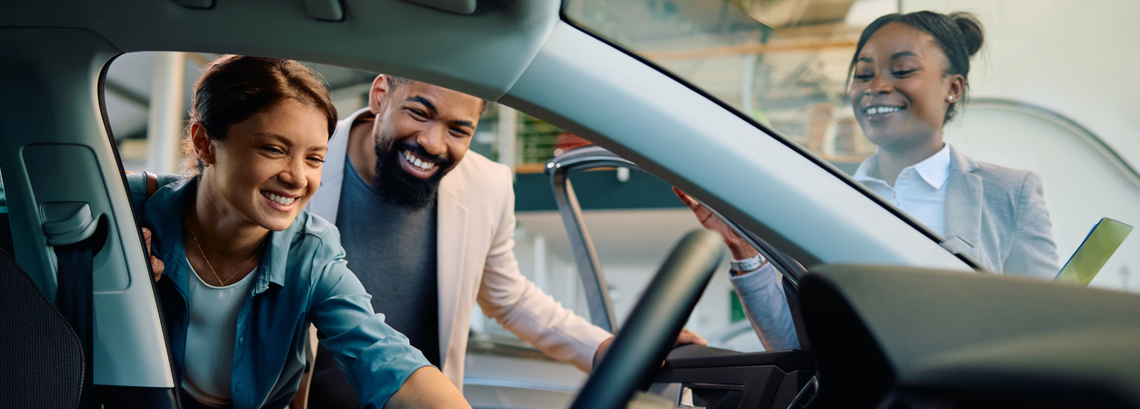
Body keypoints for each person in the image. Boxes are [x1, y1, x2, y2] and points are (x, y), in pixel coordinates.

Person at [300, 75, 707, 407]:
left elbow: (508, 298)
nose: (433, 142)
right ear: (380, 95)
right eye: (419, 113)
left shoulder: (488, 186)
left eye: (459, 129)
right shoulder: (303, 156)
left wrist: (607, 349)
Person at [675, 11, 1057, 351]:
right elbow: (796, 347)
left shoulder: (1010, 193)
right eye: (863, 74)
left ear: (952, 88)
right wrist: (743, 248)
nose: (876, 86)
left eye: (902, 70)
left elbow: (1052, 331)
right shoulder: (829, 198)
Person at [129, 55, 470, 409]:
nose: (297, 177)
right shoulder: (127, 206)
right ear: (204, 143)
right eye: (274, 149)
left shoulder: (311, 251)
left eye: (314, 158)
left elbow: (383, 356)